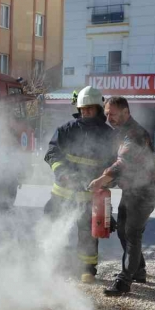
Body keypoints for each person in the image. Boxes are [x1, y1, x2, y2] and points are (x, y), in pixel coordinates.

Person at [88, 97, 155, 296]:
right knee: (122, 230)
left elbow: (123, 163)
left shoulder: (135, 134)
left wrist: (101, 180)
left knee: (131, 233)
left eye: (111, 114)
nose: (108, 118)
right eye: (106, 114)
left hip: (146, 191)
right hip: (132, 190)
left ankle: (124, 281)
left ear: (125, 112)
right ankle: (138, 270)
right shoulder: (120, 133)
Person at [44, 86, 116, 283]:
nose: (85, 113)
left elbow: (114, 164)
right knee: (55, 226)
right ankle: (53, 263)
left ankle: (87, 269)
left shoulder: (108, 135)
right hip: (62, 191)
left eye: (89, 109)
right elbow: (52, 153)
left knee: (87, 232)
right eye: (82, 109)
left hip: (89, 194)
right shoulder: (67, 130)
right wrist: (63, 173)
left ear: (98, 109)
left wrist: (105, 181)